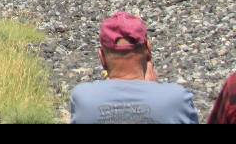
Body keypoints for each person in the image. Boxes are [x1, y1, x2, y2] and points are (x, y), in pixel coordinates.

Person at [69, 11, 198, 124]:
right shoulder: (177, 98)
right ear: (148, 50)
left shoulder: (84, 98)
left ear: (102, 57)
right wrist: (153, 91)